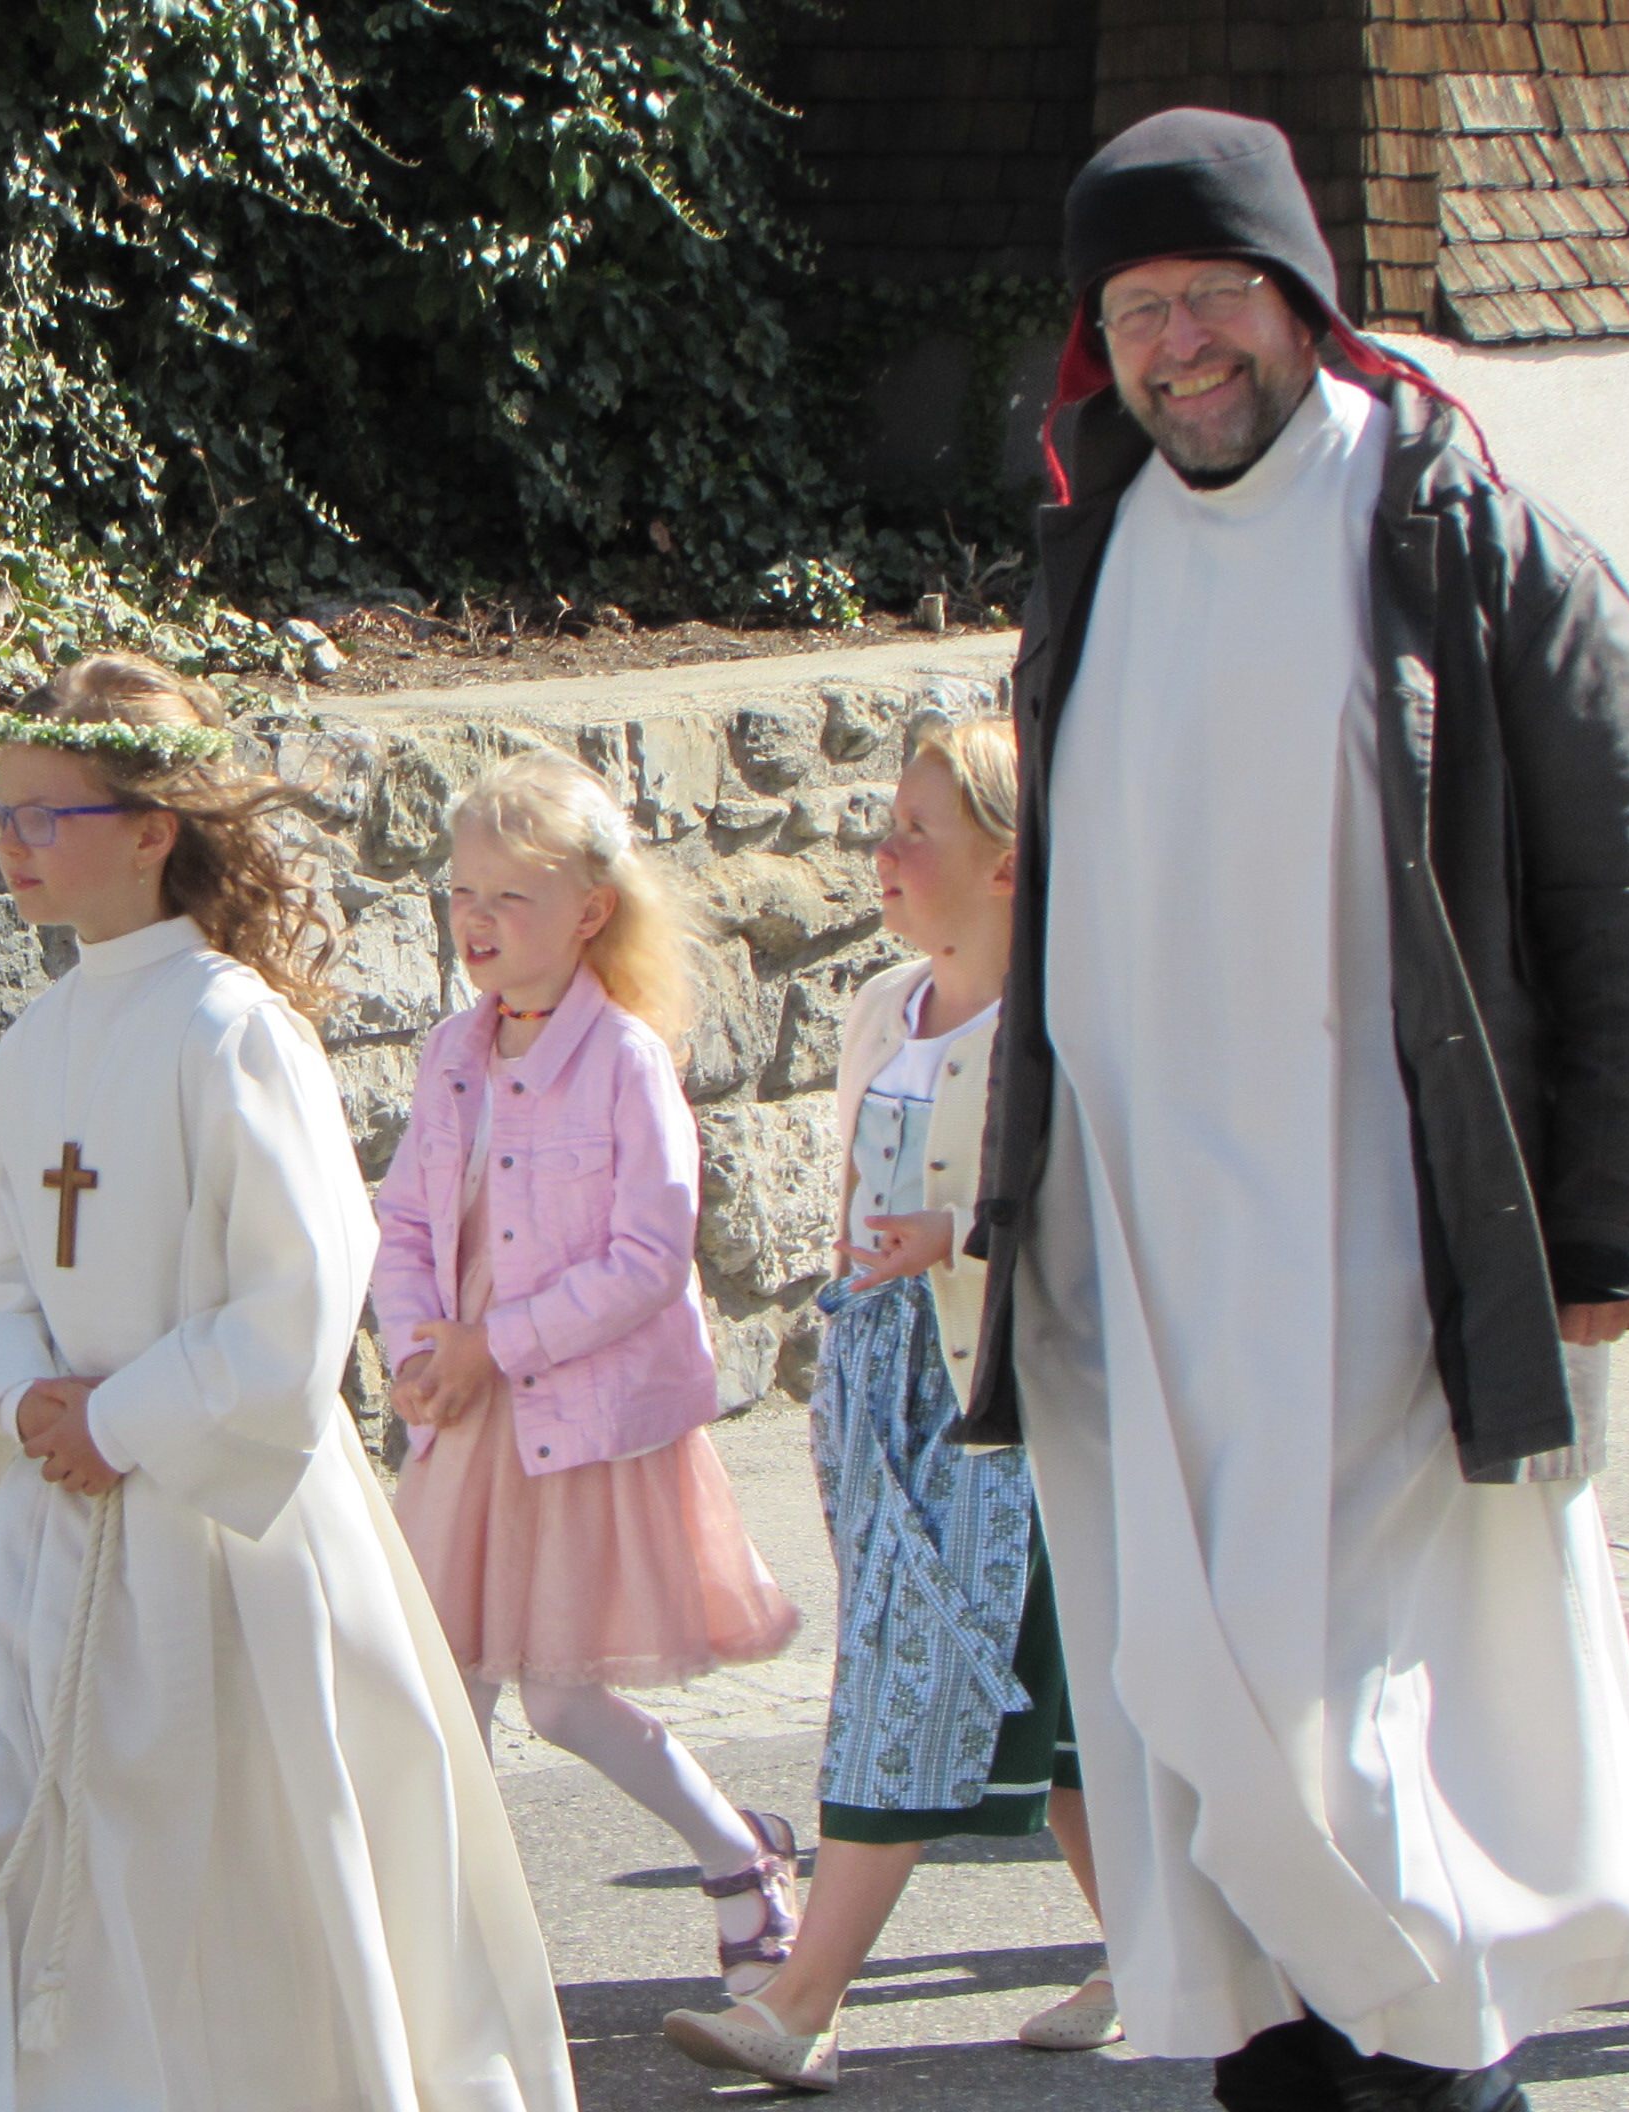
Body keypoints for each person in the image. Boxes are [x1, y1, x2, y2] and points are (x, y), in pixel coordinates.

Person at [960, 108, 1629, 2111]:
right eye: (1135, 310)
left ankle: (1452, 2082)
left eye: (1209, 298)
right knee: (1196, 1781)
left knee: (1344, 1757)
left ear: (1297, 298)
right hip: (1131, 1275)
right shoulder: (1089, 547)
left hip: (1380, 1264)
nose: (1178, 347)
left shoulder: (1459, 537)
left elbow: (1617, 893)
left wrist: (1613, 1234)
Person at [0, 655, 577, 2111]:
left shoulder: (235, 1029)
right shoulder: (36, 1043)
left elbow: (298, 1300)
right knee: (44, 1834)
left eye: (45, 814)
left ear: (151, 830)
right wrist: (24, 1405)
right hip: (64, 1530)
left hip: (221, 1536)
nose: (11, 843)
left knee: (243, 1861)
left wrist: (122, 1420)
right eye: (1, 813)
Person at [666, 718, 1115, 2090]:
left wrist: (963, 1242)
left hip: (1006, 1403)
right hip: (890, 1390)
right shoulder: (881, 1006)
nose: (885, 852)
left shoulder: (1060, 1025)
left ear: (1007, 863)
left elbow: (1105, 1223)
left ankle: (800, 2001)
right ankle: (1167, 1944)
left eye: (919, 828)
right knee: (1045, 1703)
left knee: (906, 1679)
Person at [372, 749, 802, 1999]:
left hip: (574, 1427)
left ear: (587, 911)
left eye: (509, 898)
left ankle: (735, 1857)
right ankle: (442, 1958)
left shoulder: (623, 1061)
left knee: (558, 1704)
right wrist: (413, 1344)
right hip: (466, 1428)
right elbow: (404, 1225)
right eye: (461, 894)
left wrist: (489, 1347)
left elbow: (647, 1258)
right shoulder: (451, 1050)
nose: (475, 922)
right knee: (443, 1695)